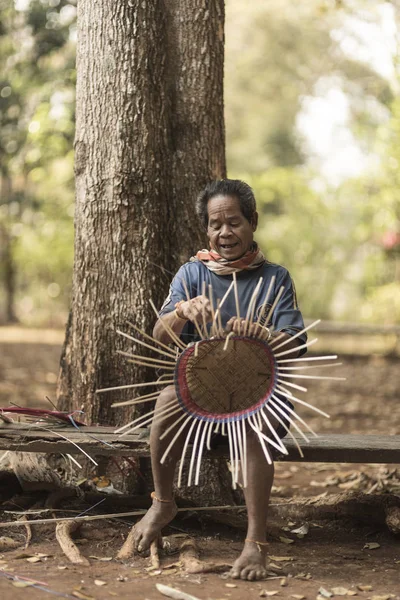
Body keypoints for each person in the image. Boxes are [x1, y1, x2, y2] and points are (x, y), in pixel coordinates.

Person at [130, 179, 306, 580]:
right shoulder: (191, 273)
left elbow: (295, 345)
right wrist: (182, 312)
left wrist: (265, 336)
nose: (225, 232)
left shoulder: (275, 278)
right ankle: (163, 503)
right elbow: (158, 334)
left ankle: (255, 544)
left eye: (234, 222)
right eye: (215, 224)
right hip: (201, 392)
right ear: (206, 229)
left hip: (258, 392)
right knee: (164, 404)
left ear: (253, 222)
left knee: (253, 427)